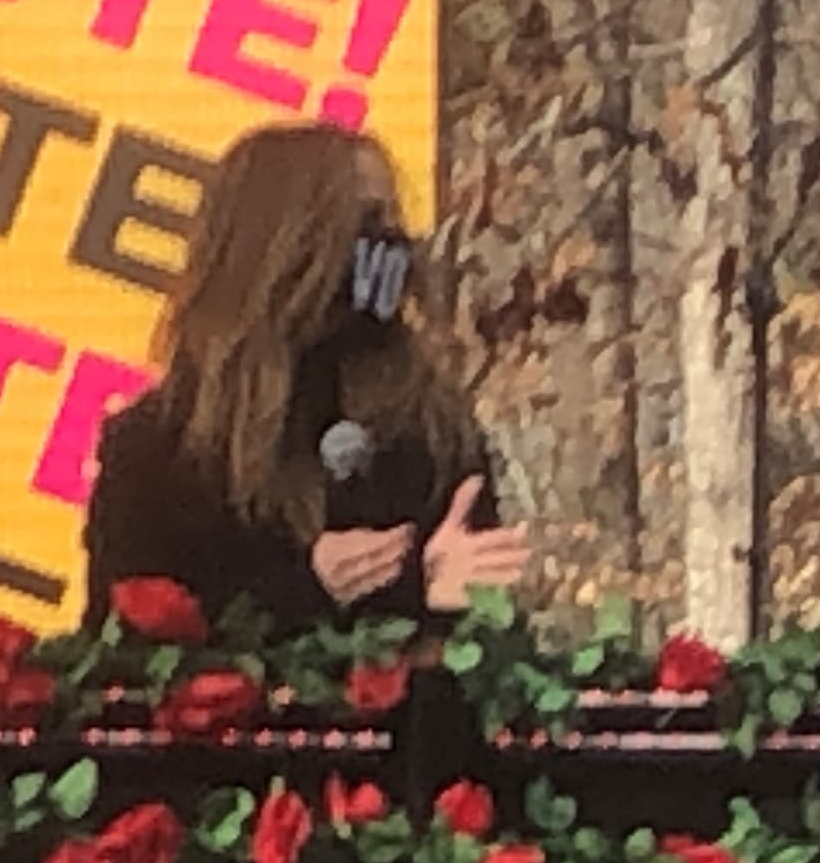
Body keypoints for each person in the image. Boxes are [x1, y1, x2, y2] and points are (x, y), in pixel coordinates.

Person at [82, 122, 529, 629]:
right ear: (282, 245)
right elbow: (115, 661)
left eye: (388, 217)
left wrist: (448, 597)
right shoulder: (157, 447)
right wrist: (305, 590)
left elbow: (482, 658)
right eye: (361, 220)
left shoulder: (429, 430)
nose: (388, 244)